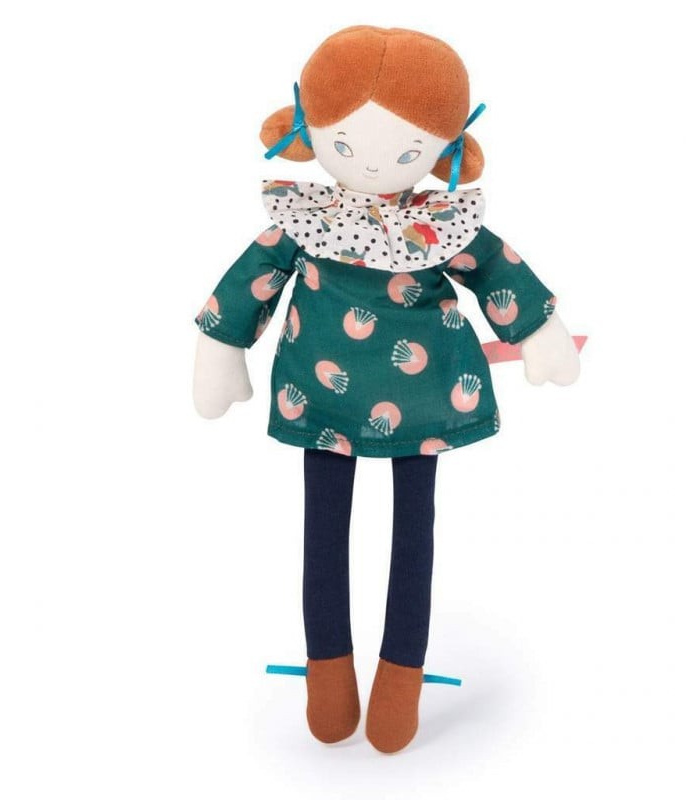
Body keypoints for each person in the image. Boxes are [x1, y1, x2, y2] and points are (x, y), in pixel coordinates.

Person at [193, 25, 580, 754]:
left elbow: (496, 270)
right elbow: (251, 280)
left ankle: (401, 675)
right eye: (347, 141)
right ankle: (329, 671)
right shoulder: (304, 218)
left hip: (425, 395)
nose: (373, 162)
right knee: (322, 530)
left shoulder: (441, 223)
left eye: (406, 151)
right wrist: (222, 347)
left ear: (447, 148)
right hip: (320, 396)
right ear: (308, 130)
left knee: (413, 533)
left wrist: (538, 330)